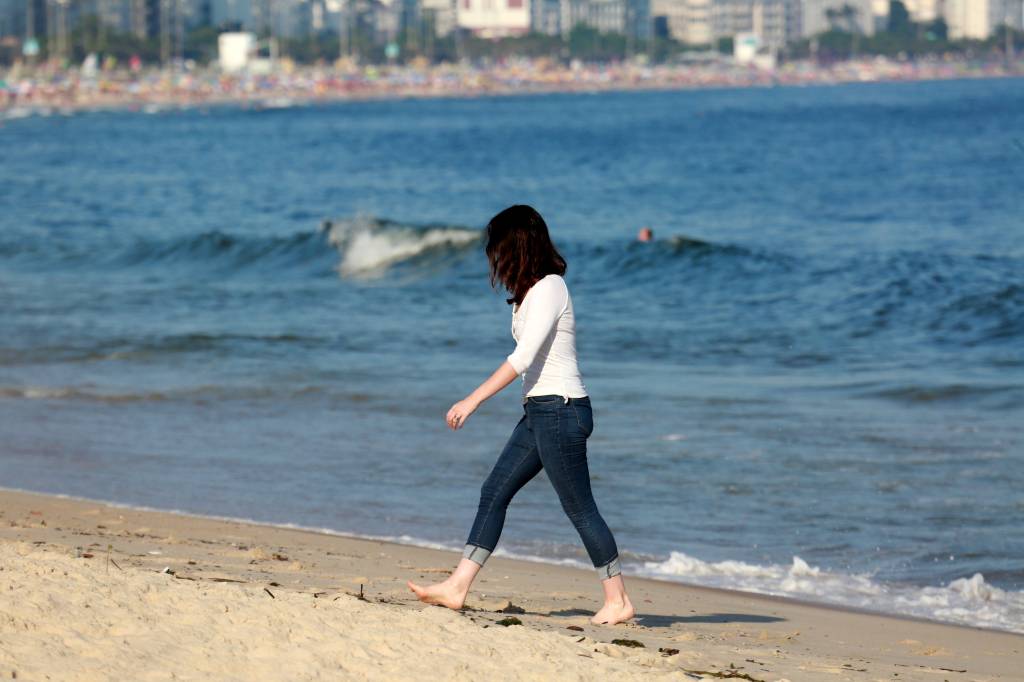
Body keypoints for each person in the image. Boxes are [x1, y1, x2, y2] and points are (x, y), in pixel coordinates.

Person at [407, 205, 635, 626]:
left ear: (516, 245)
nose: (492, 255)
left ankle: (618, 599)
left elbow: (523, 357)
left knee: (580, 508)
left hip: (561, 411)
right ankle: (457, 587)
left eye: (497, 246)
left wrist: (471, 400)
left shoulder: (550, 287)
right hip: (540, 413)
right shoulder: (529, 293)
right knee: (494, 491)